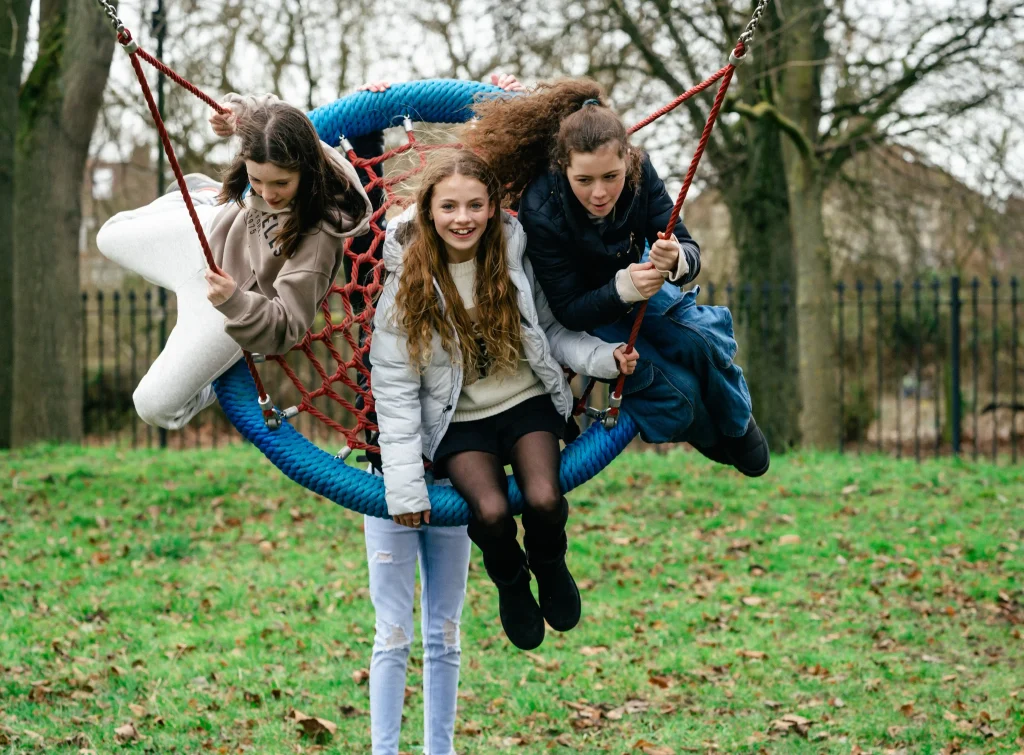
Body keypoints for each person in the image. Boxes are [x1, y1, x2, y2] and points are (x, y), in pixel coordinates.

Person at [370, 145, 636, 670]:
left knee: (542, 497)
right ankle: (511, 580)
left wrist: (604, 358)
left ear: (493, 207)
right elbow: (395, 386)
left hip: (525, 402)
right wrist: (404, 485)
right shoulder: (406, 283)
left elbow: (552, 333)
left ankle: (550, 563)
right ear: (428, 210)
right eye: (449, 207)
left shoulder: (513, 257)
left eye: (474, 205)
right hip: (459, 420)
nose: (462, 218)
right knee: (489, 511)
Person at [463, 78, 769, 476]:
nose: (600, 193)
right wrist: (621, 289)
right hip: (588, 300)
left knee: (697, 341)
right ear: (563, 168)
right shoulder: (541, 208)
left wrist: (676, 258)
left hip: (635, 269)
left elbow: (689, 250)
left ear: (627, 159)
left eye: (611, 176)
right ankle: (709, 436)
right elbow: (569, 311)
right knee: (675, 390)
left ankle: (738, 423)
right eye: (584, 180)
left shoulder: (642, 175)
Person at [95, 92, 371, 429]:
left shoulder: (319, 235)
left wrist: (235, 302)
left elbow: (288, 325)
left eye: (281, 183)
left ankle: (213, 376)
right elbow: (266, 108)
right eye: (255, 180)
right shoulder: (271, 140)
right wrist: (235, 114)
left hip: (229, 302)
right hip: (208, 235)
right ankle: (204, 198)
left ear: (306, 169)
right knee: (108, 236)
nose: (267, 194)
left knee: (152, 406)